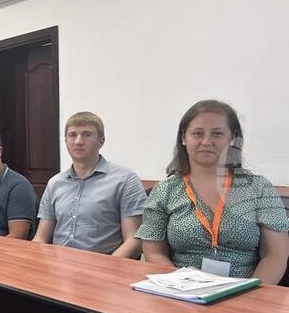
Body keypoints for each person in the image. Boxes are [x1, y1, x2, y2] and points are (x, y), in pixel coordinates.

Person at [136, 100, 289, 283]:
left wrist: (252, 294)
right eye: (198, 133)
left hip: (245, 291)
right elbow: (154, 252)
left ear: (232, 138)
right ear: (184, 138)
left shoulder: (259, 188)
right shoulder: (164, 191)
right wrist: (182, 287)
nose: (206, 142)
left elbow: (276, 254)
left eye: (217, 133)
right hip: (180, 289)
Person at [34, 112, 147, 258]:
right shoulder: (55, 183)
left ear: (101, 141)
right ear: (66, 141)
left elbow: (134, 241)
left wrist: (105, 267)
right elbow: (41, 238)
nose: (78, 141)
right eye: (72, 135)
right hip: (58, 266)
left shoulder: (125, 180)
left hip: (105, 266)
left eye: (86, 134)